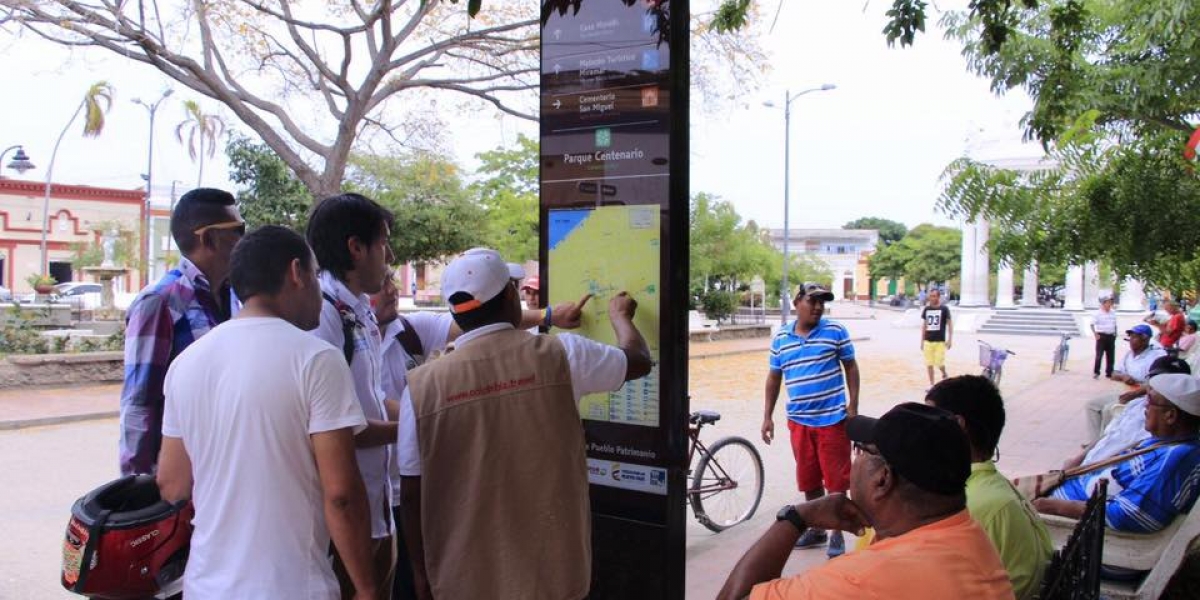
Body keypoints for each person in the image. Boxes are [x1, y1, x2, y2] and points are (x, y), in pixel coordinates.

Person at [397, 248, 652, 600]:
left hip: (463, 577)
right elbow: (637, 361)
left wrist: (421, 575)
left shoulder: (420, 389)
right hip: (553, 573)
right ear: (509, 297)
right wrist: (620, 316)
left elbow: (411, 494)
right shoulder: (565, 356)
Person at [156, 225, 377, 599]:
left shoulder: (186, 363)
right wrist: (368, 588)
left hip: (206, 586)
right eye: (315, 274)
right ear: (296, 273)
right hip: (292, 587)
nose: (320, 295)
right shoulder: (315, 359)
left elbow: (173, 484)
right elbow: (341, 495)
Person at [370, 269, 590, 600]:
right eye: (381, 284)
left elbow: (477, 326)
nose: (391, 291)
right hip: (387, 500)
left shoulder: (412, 329)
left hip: (424, 493)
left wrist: (547, 314)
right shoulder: (339, 332)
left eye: (391, 281)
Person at [718, 403, 1013, 600]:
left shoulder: (866, 579)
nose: (854, 458)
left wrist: (796, 518)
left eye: (860, 450)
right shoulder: (970, 536)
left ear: (883, 479)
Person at [306, 193, 402, 597]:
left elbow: (373, 399)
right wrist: (408, 429)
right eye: (383, 243)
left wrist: (427, 413)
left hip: (378, 508)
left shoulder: (361, 311)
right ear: (356, 248)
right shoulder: (323, 315)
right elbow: (336, 429)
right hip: (345, 520)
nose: (390, 255)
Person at [118, 188, 244, 476]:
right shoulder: (160, 302)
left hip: (227, 468)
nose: (243, 240)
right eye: (238, 230)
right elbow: (140, 402)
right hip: (182, 475)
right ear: (209, 238)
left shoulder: (236, 296)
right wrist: (139, 483)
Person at [926, 376, 1053, 600]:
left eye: (929, 419)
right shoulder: (988, 487)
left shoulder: (970, 504)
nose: (922, 430)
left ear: (957, 425)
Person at [762, 282, 860, 558]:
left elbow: (851, 367)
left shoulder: (835, 331)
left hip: (832, 420)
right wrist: (767, 416)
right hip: (799, 422)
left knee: (836, 481)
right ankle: (817, 528)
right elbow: (774, 378)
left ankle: (836, 533)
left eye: (822, 302)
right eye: (812, 301)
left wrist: (853, 405)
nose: (818, 307)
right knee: (808, 478)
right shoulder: (781, 338)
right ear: (797, 303)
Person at [1036, 373, 1200, 533]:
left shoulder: (1177, 458)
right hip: (1065, 490)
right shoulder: (1165, 442)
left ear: (1170, 415)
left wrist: (1051, 506)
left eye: (1149, 401)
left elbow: (1129, 515)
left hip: (1064, 516)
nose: (1144, 406)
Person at [1067, 356, 1191, 467]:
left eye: (1167, 383)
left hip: (1097, 475)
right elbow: (1107, 436)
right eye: (1155, 380)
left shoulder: (1162, 426)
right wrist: (1078, 460)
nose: (1157, 387)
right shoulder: (1136, 405)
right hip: (1087, 466)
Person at [1083, 324, 1165, 442]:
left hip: (1141, 395)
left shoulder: (1156, 356)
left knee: (1108, 409)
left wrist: (1135, 393)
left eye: (1134, 337)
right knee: (1091, 405)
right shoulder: (1128, 355)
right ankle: (1095, 441)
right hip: (1125, 390)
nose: (1131, 341)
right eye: (1130, 337)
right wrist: (1123, 376)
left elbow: (1155, 382)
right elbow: (1113, 374)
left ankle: (1104, 442)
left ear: (1145, 339)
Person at [920, 287, 953, 386]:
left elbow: (950, 324)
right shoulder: (927, 309)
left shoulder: (944, 309)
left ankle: (944, 373)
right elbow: (924, 325)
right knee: (929, 364)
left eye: (934, 296)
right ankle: (931, 384)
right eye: (930, 296)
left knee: (939, 363)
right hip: (928, 340)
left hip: (939, 341)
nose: (932, 298)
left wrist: (950, 339)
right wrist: (922, 340)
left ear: (938, 297)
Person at [1092, 296, 1118, 379]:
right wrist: (1095, 334)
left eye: (1110, 302)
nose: (1110, 304)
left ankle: (1109, 372)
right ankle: (1096, 372)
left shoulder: (1113, 312)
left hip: (1111, 336)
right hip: (1101, 336)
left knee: (1111, 356)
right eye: (1108, 302)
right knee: (1099, 355)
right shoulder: (1098, 313)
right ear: (1103, 303)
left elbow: (1115, 324)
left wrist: (1115, 333)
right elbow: (1092, 324)